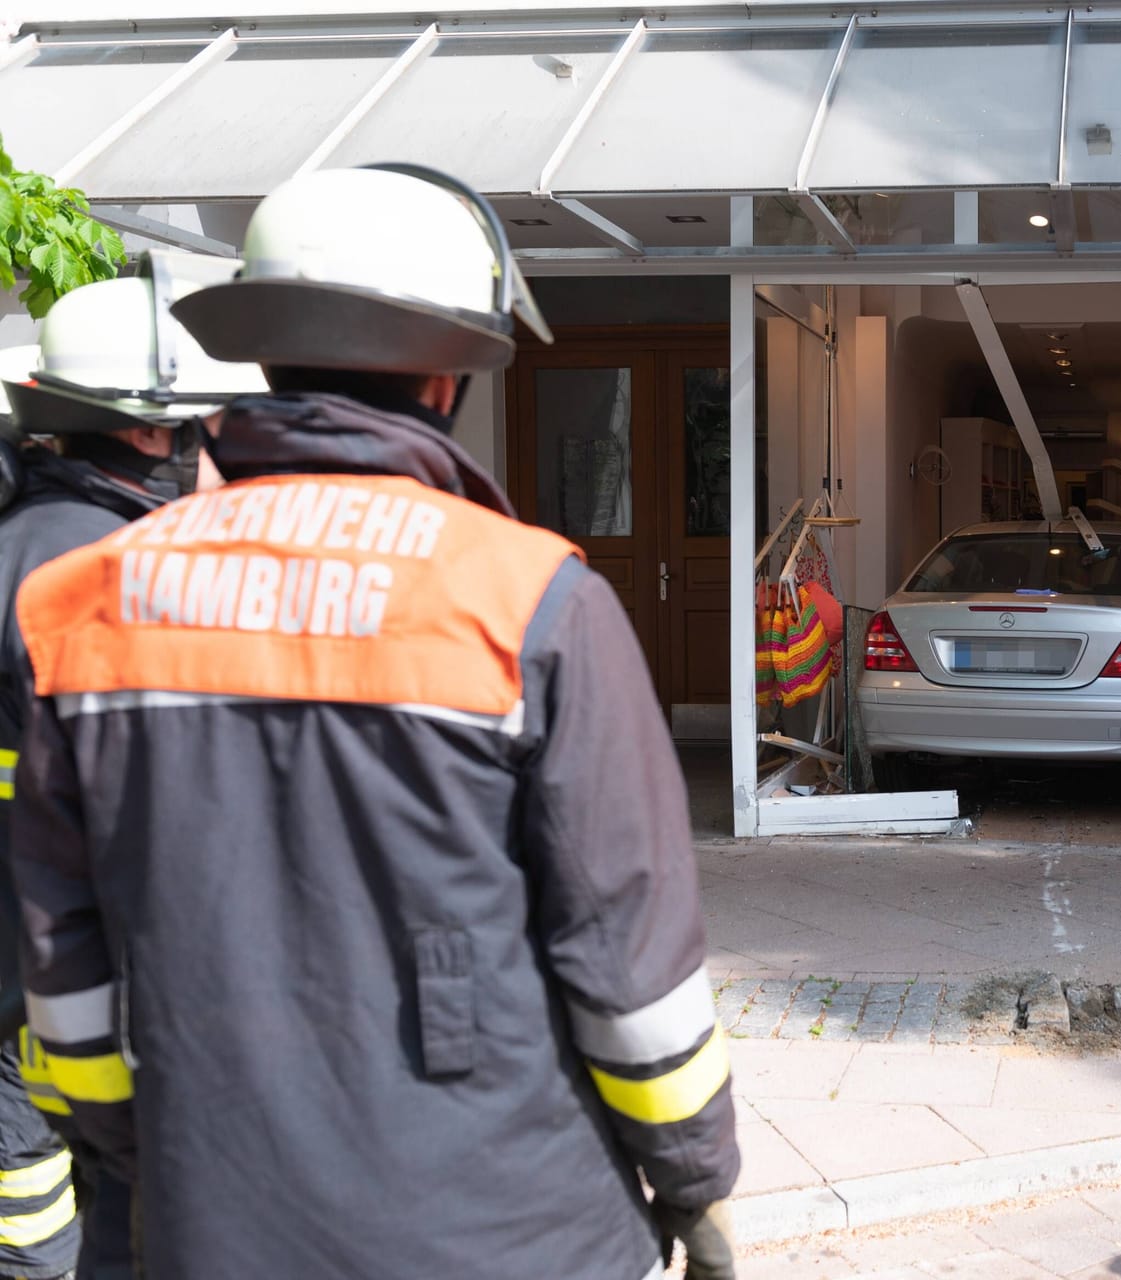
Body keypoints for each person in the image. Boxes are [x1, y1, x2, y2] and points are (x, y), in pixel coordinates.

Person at [8, 166, 740, 1279]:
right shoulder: (532, 600)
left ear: (264, 358)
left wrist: (145, 1154)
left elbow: (60, 953)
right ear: (446, 381)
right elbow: (627, 958)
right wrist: (694, 1180)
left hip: (214, 1218)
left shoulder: (85, 600)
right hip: (514, 1224)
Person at [0, 263, 262, 1280]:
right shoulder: (127, 582)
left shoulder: (21, 547)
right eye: (196, 430)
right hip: (94, 989)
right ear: (154, 433)